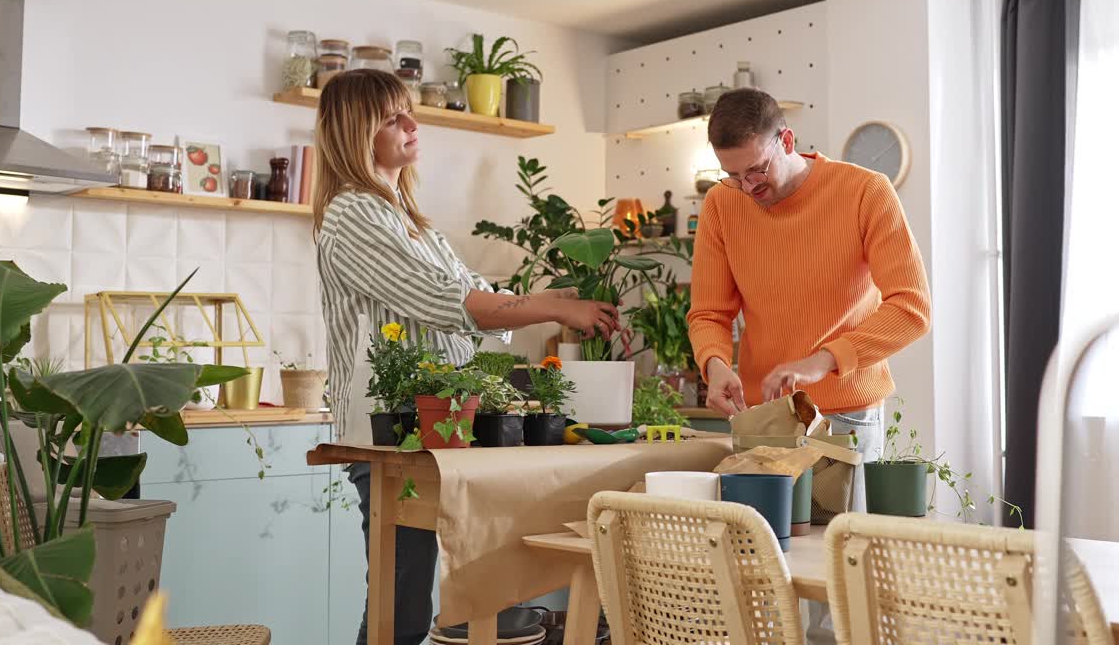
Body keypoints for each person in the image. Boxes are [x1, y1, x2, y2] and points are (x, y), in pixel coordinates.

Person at [312, 69, 620, 645]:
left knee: (411, 600)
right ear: (357, 133)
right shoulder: (354, 213)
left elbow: (469, 286)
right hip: (388, 438)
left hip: (433, 432)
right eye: (391, 117)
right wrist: (547, 311)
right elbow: (445, 301)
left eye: (409, 111)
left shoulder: (406, 219)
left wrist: (545, 300)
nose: (411, 124)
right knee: (397, 605)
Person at [686, 88, 930, 643]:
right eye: (732, 175)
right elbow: (709, 311)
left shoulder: (865, 191)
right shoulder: (724, 205)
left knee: (841, 579)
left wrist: (826, 359)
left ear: (787, 139)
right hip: (764, 422)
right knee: (762, 573)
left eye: (757, 169)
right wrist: (716, 363)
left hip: (846, 415)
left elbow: (911, 308)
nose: (749, 187)